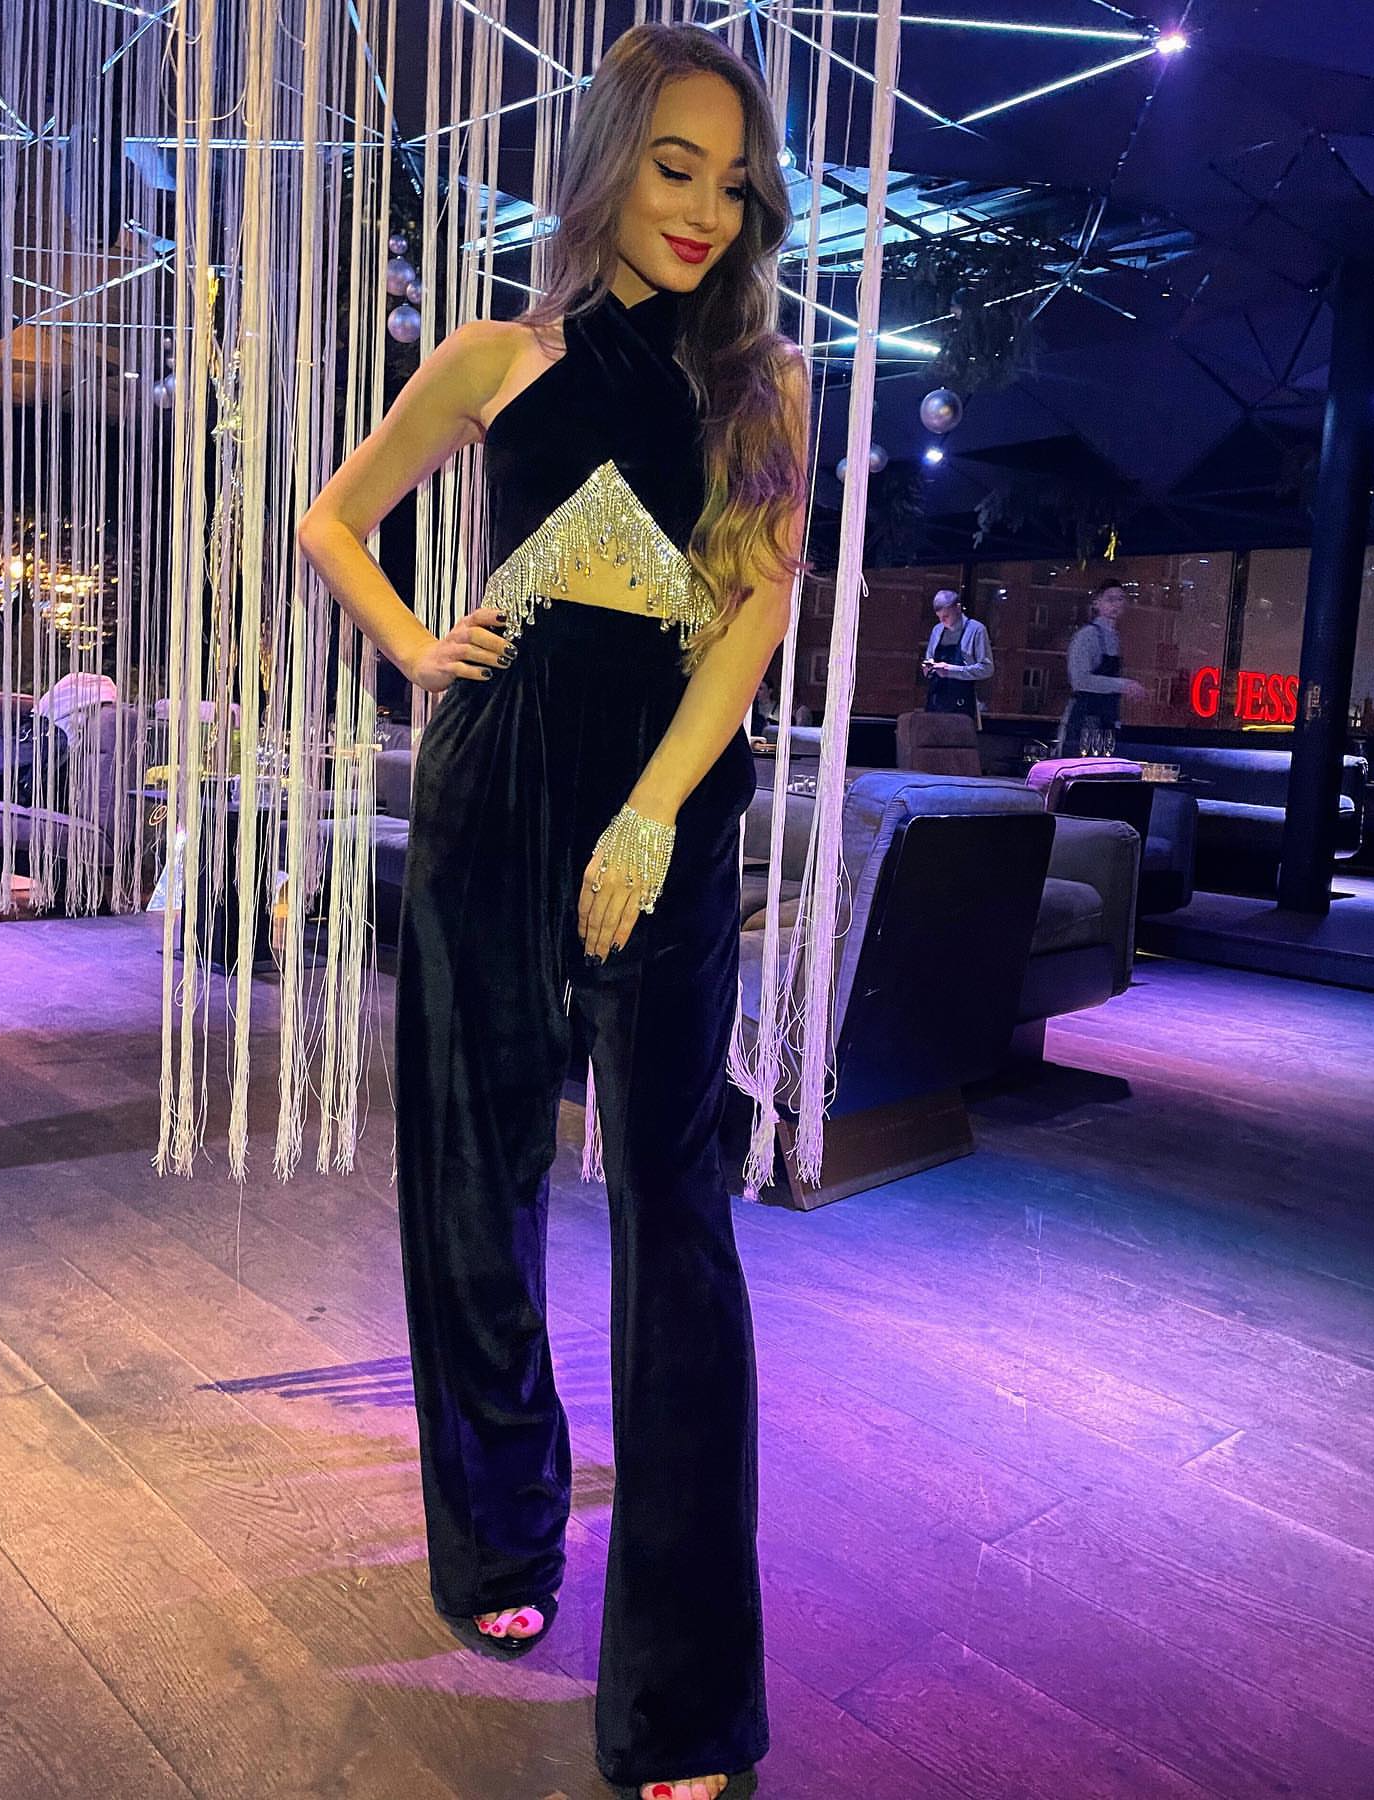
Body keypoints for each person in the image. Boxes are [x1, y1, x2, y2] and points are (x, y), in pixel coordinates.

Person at [298, 24, 808, 1800]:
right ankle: (501, 1534)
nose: (702, 207)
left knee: (676, 1216)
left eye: (731, 181)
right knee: (474, 1170)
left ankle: (685, 1699)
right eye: (673, 166)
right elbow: (335, 516)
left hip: (663, 811)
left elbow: (750, 615)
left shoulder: (759, 379)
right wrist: (413, 644)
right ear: (606, 163)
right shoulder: (497, 358)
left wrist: (654, 813)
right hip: (490, 791)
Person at [1057, 579, 1147, 755]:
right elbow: (1080, 681)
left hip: (1105, 721)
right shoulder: (1087, 636)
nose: (1116, 605)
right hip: (1084, 722)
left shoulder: (1115, 637)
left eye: (1120, 599)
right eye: (1110, 599)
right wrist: (1123, 685)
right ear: (1097, 603)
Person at [921, 587, 993, 719]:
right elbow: (929, 659)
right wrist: (928, 668)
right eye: (939, 617)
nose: (942, 621)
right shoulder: (937, 630)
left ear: (958, 608)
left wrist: (951, 670)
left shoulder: (976, 630)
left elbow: (987, 669)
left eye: (946, 616)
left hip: (961, 705)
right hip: (935, 702)